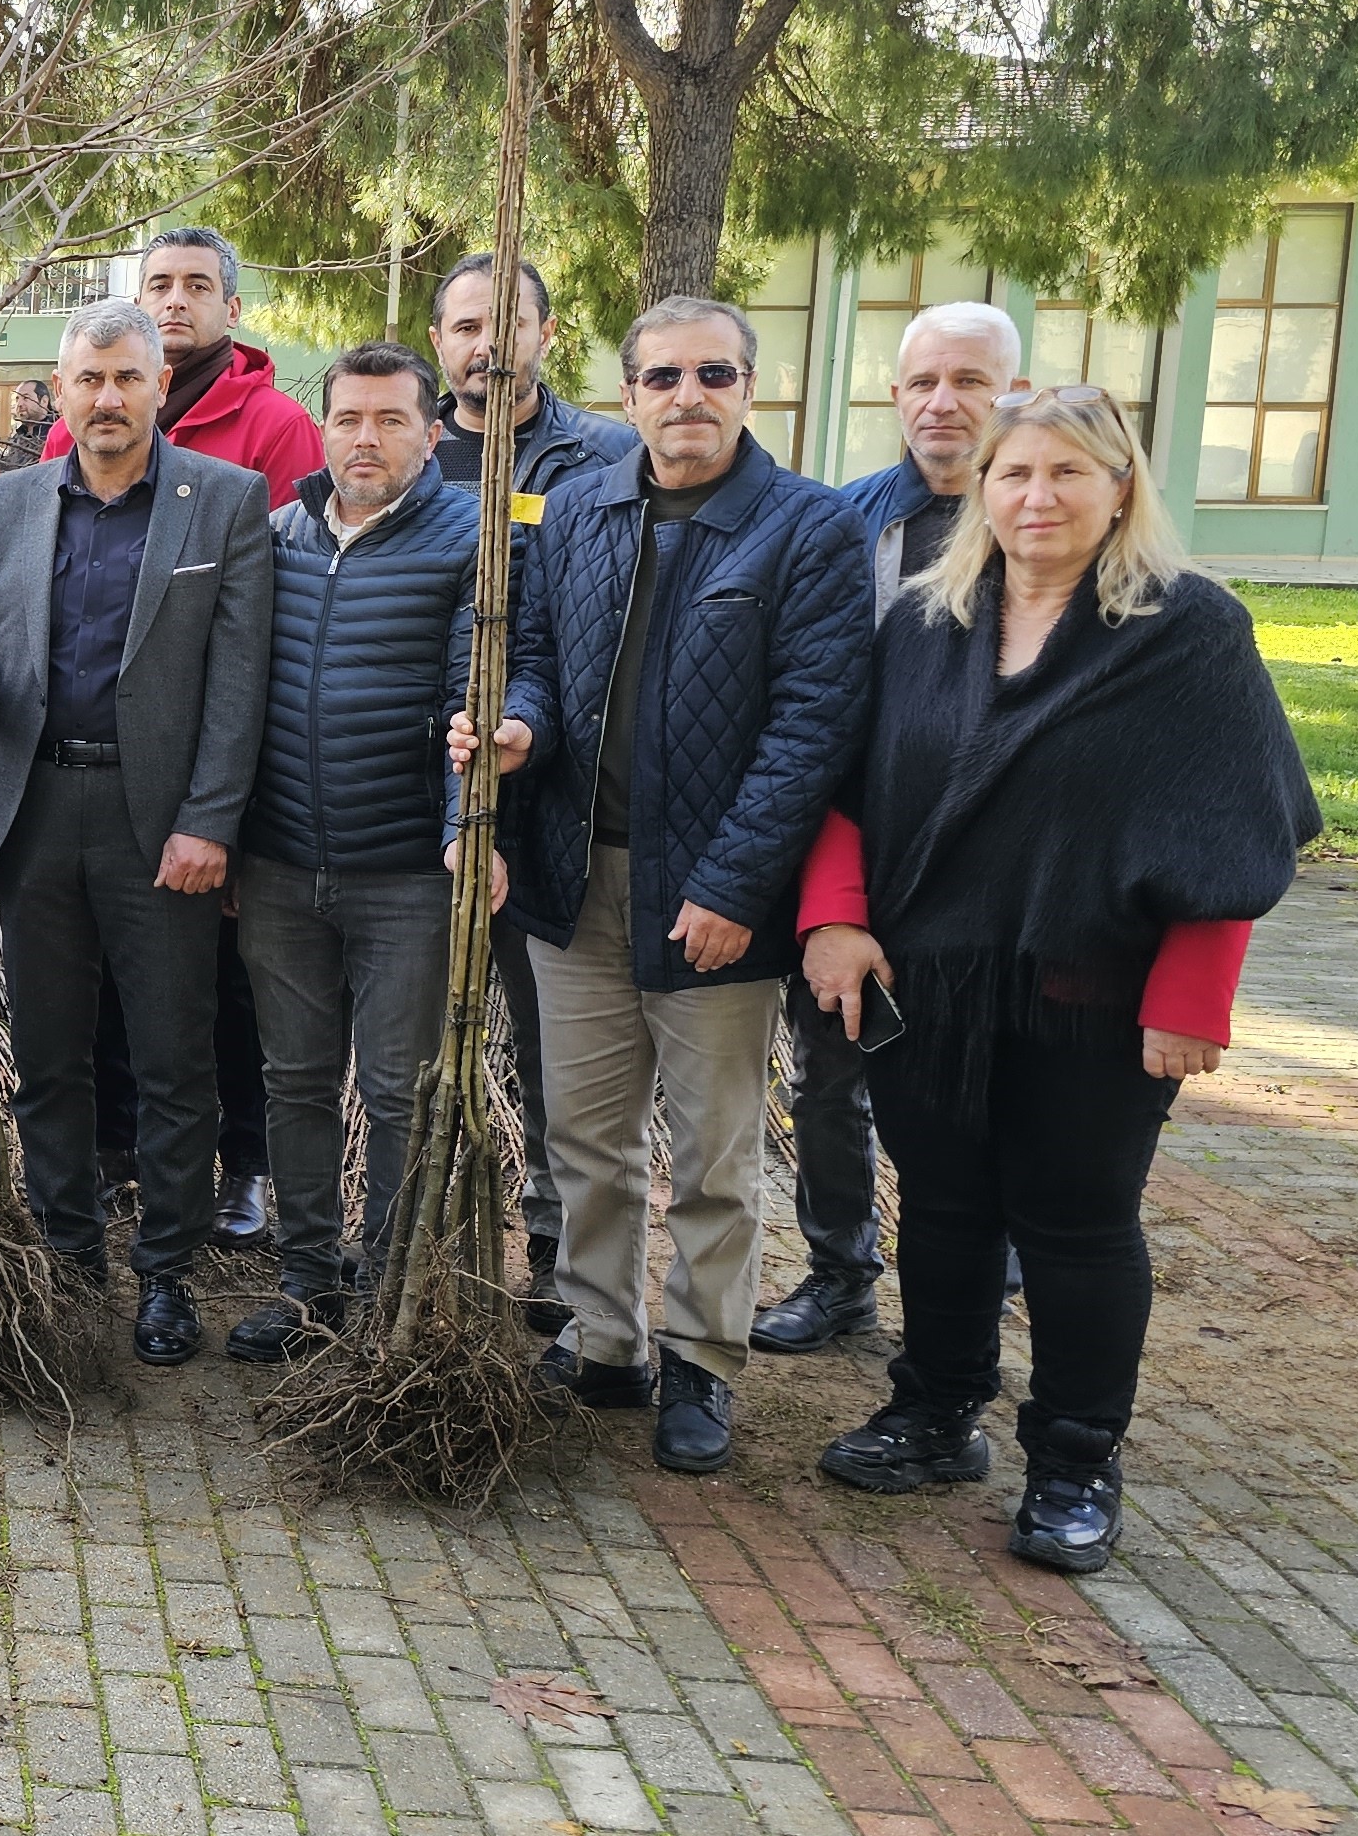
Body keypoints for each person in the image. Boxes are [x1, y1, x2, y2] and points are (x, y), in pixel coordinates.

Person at [796, 387, 1311, 1570]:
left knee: (1076, 1223)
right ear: (979, 489)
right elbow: (844, 786)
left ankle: (1076, 1456)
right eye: (1014, 473)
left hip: (1093, 992)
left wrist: (1193, 993)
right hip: (926, 981)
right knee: (942, 1208)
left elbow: (1238, 829)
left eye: (1067, 473)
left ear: (1120, 486)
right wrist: (833, 918)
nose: (1036, 496)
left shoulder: (1188, 633)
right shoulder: (925, 623)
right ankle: (934, 1410)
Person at [451, 296, 870, 1476]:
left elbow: (812, 728)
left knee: (714, 1148)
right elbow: (530, 649)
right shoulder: (580, 504)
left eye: (714, 374)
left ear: (749, 389)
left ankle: (700, 1357)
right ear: (626, 392)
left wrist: (738, 880)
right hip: (574, 878)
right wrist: (521, 725)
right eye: (663, 377)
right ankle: (603, 1337)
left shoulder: (806, 528)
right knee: (583, 1133)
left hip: (714, 896)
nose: (688, 396)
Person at [0, 300, 275, 1365]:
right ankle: (69, 1251)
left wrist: (210, 821)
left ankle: (164, 1272)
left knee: (174, 1060)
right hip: (34, 812)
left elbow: (238, 683)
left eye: (127, 378)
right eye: (88, 380)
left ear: (159, 386)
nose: (108, 398)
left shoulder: (222, 501)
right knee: (47, 1055)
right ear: (58, 392)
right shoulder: (3, 504)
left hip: (158, 824)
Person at [752, 300, 1025, 1357]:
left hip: (996, 875)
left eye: (968, 379)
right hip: (854, 860)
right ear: (896, 395)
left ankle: (974, 1301)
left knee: (986, 1091)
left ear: (1010, 387)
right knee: (828, 1076)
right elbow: (814, 710)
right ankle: (838, 1272)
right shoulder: (845, 521)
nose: (942, 401)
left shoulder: (1046, 518)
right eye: (921, 381)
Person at [40, 230, 314, 1251]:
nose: (176, 299)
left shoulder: (269, 433)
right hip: (66, 793)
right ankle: (97, 1180)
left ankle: (226, 1181)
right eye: (158, 283)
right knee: (86, 1013)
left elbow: (263, 630)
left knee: (208, 1005)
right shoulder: (48, 464)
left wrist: (222, 808)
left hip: (189, 777)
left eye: (197, 286)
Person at [224, 344, 478, 1363]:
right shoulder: (277, 534)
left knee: (394, 1089)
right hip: (281, 865)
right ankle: (306, 1282)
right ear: (320, 426)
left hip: (406, 872)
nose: (364, 438)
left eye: (389, 419)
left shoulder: (470, 540)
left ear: (429, 432)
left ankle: (391, 1286)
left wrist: (464, 828)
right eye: (347, 418)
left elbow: (478, 695)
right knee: (292, 1079)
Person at [425, 250, 635, 1331]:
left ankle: (556, 1242)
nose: (484, 344)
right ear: (438, 345)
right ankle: (425, 1228)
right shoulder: (402, 457)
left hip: (538, 795)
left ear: (544, 336)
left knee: (554, 1041)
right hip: (404, 800)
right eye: (464, 325)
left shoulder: (601, 459)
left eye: (504, 323)